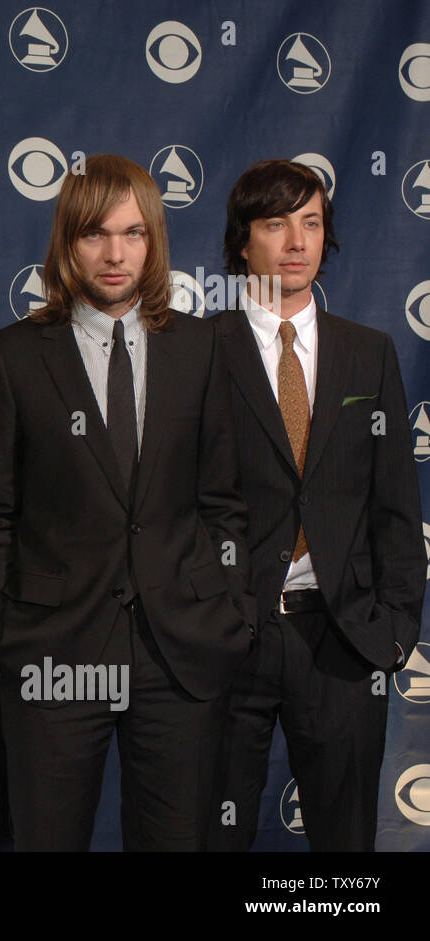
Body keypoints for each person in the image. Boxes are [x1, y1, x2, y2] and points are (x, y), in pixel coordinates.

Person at [0, 153, 254, 850]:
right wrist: (5, 629)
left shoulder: (201, 348)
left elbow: (223, 499)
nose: (114, 252)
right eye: (95, 233)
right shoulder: (11, 355)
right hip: (54, 648)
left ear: (153, 241)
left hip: (179, 650)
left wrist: (230, 610)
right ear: (67, 241)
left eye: (133, 233)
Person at [208, 159, 424, 851]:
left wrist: (393, 630)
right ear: (243, 241)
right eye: (276, 223)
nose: (296, 240)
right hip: (223, 639)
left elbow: (394, 503)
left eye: (311, 222)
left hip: (343, 640)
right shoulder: (195, 352)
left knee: (345, 848)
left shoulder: (370, 354)